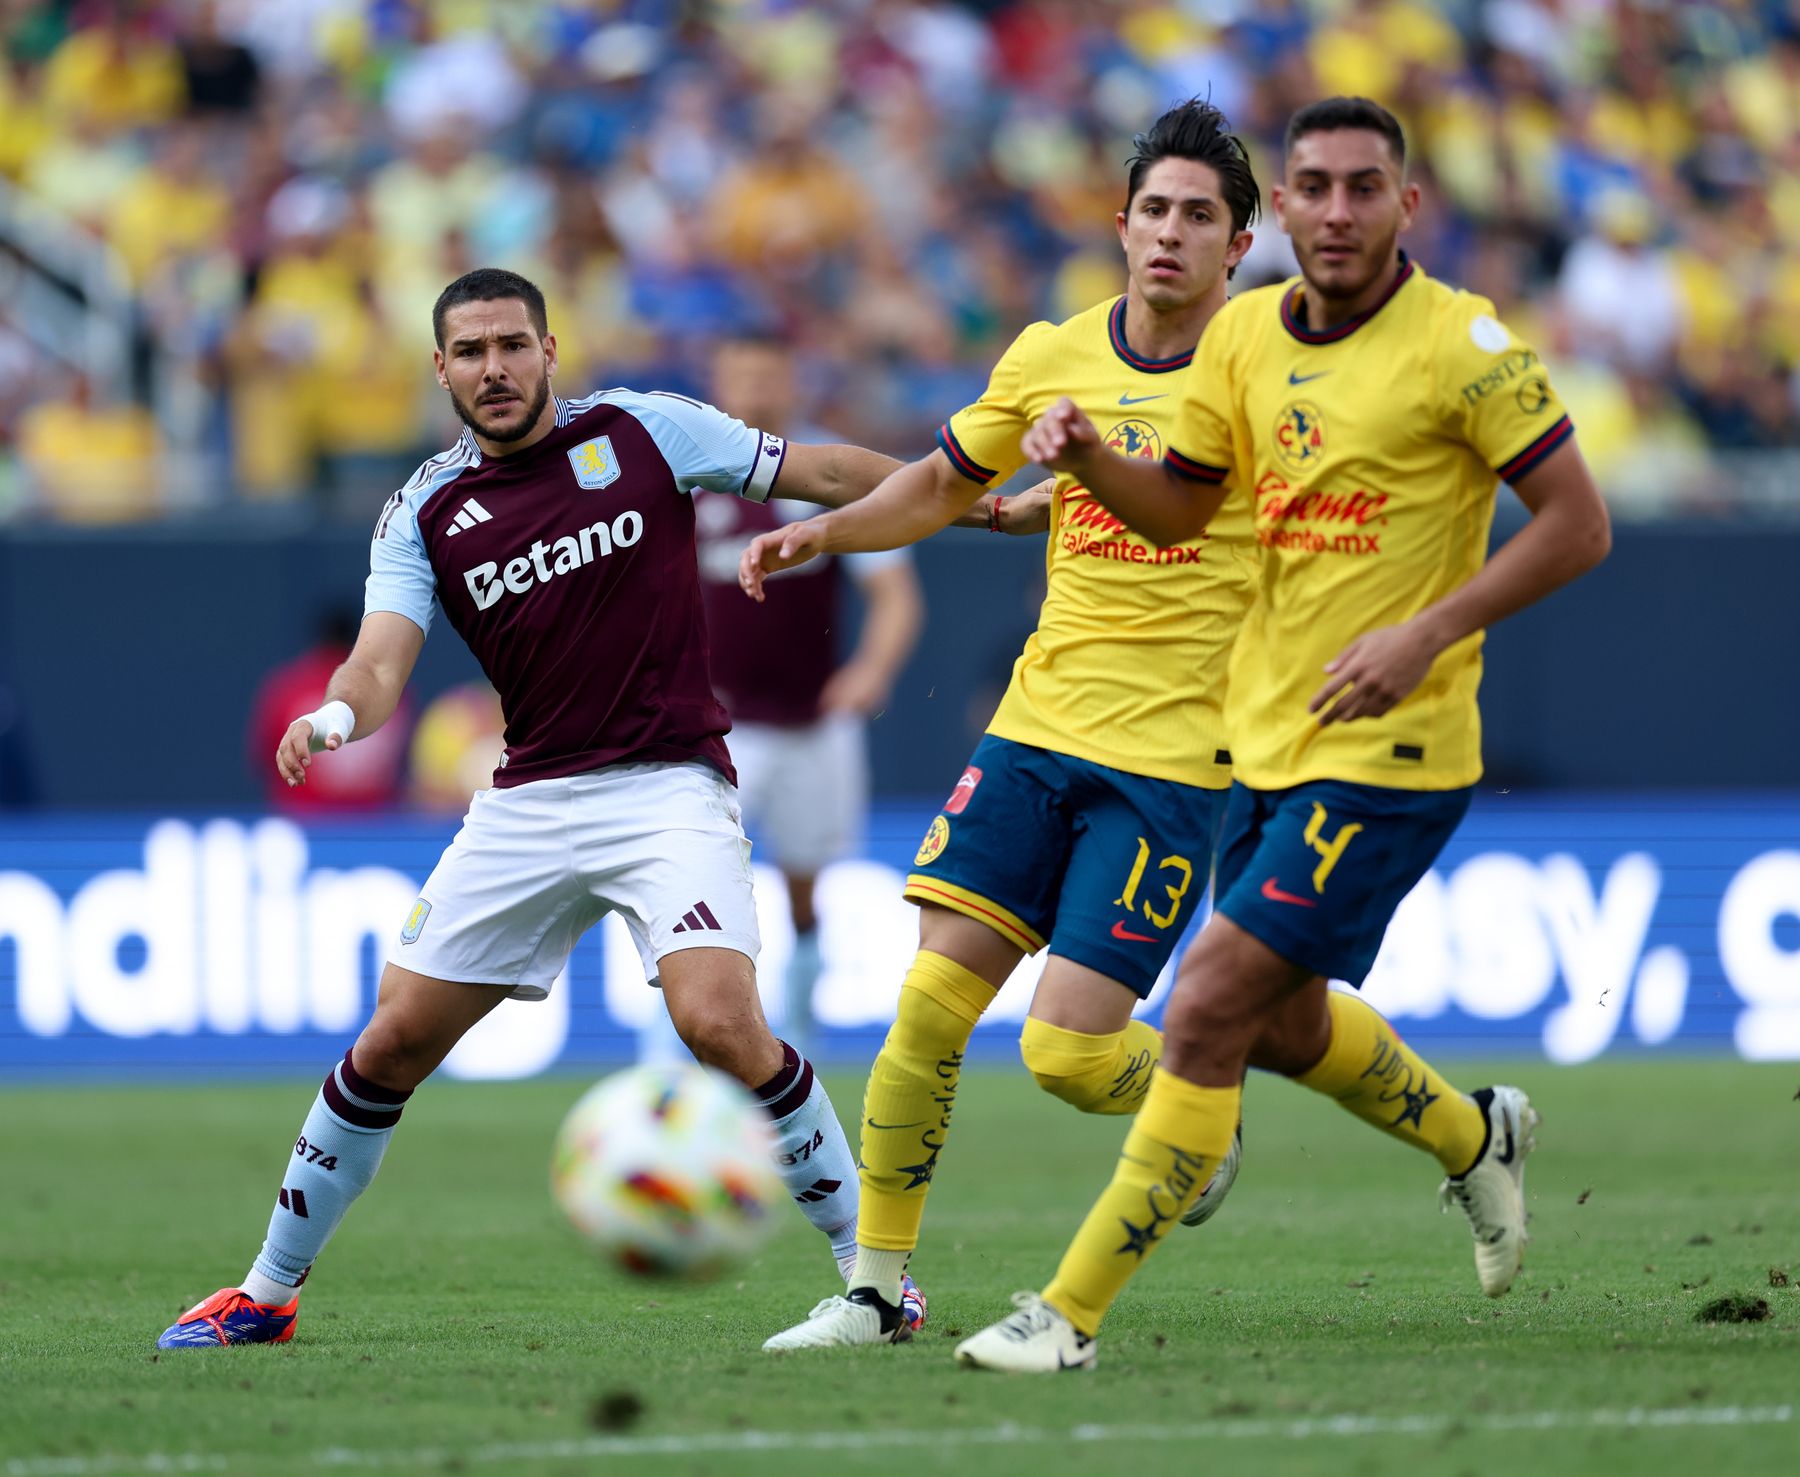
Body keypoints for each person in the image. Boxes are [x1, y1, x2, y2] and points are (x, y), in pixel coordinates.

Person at [750, 99, 1532, 1355]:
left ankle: (1415, 1126)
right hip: (1035, 728)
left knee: (1070, 1053)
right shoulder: (1053, 352)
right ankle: (874, 1289)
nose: (1171, 235)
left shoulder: (1269, 369)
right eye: (1154, 211)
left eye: (1200, 218)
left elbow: (1213, 492)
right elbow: (944, 479)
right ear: (1120, 227)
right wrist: (826, 532)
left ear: (1242, 244)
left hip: (1185, 759)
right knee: (929, 1008)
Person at [154, 265, 1004, 1348]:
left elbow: (819, 466)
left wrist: (971, 502)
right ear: (441, 368)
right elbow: (379, 664)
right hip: (530, 800)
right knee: (389, 1043)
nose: (495, 368)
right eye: (471, 352)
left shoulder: (643, 430)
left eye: (513, 345)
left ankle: (877, 1282)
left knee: (719, 1022)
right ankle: (266, 1294)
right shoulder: (424, 509)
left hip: (668, 785)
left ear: (550, 350)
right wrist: (332, 718)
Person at [954, 97, 1611, 1371]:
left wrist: (1429, 631)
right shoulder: (1247, 337)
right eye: (1315, 185)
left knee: (1198, 1011)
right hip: (1264, 744)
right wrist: (1086, 457)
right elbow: (1179, 514)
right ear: (1289, 208)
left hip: (1396, 753)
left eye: (1365, 187)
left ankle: (1068, 1312)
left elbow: (1578, 526)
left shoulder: (1464, 346)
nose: (1338, 210)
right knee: (1283, 1026)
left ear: (1405, 204)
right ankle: (1479, 1139)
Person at [687, 334, 924, 1056]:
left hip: (812, 723)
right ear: (719, 381)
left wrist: (871, 671)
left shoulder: (823, 473)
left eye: (768, 375)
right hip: (715, 728)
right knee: (696, 884)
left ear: (791, 379)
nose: (755, 390)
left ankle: (800, 1024)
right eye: (741, 375)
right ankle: (683, 1039)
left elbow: (894, 594)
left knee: (802, 889)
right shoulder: (688, 476)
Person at [247, 607, 410, 812]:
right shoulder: (390, 692)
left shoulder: (288, 687)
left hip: (304, 824)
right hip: (373, 830)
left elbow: (266, 758)